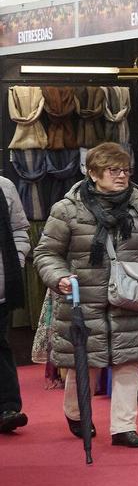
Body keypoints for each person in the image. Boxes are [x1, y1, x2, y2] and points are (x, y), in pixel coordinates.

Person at [34, 142, 138, 448]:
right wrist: (59, 277)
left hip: (131, 298)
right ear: (93, 174)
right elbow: (46, 253)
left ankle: (124, 427)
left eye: (126, 170)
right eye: (113, 170)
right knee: (86, 361)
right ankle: (77, 413)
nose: (122, 176)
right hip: (83, 299)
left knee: (129, 359)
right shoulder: (67, 209)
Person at [0, 173, 30, 433]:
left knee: (0, 344)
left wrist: (16, 261)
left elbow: (20, 230)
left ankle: (7, 408)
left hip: (0, 285)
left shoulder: (4, 186)